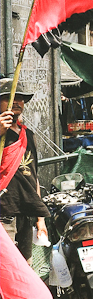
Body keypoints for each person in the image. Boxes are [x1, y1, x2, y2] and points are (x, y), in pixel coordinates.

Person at [0, 78, 49, 263]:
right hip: (4, 212)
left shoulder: (27, 134)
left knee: (26, 265)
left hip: (26, 211)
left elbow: (33, 176)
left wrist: (40, 218)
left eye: (20, 98)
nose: (17, 102)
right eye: (11, 97)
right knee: (7, 266)